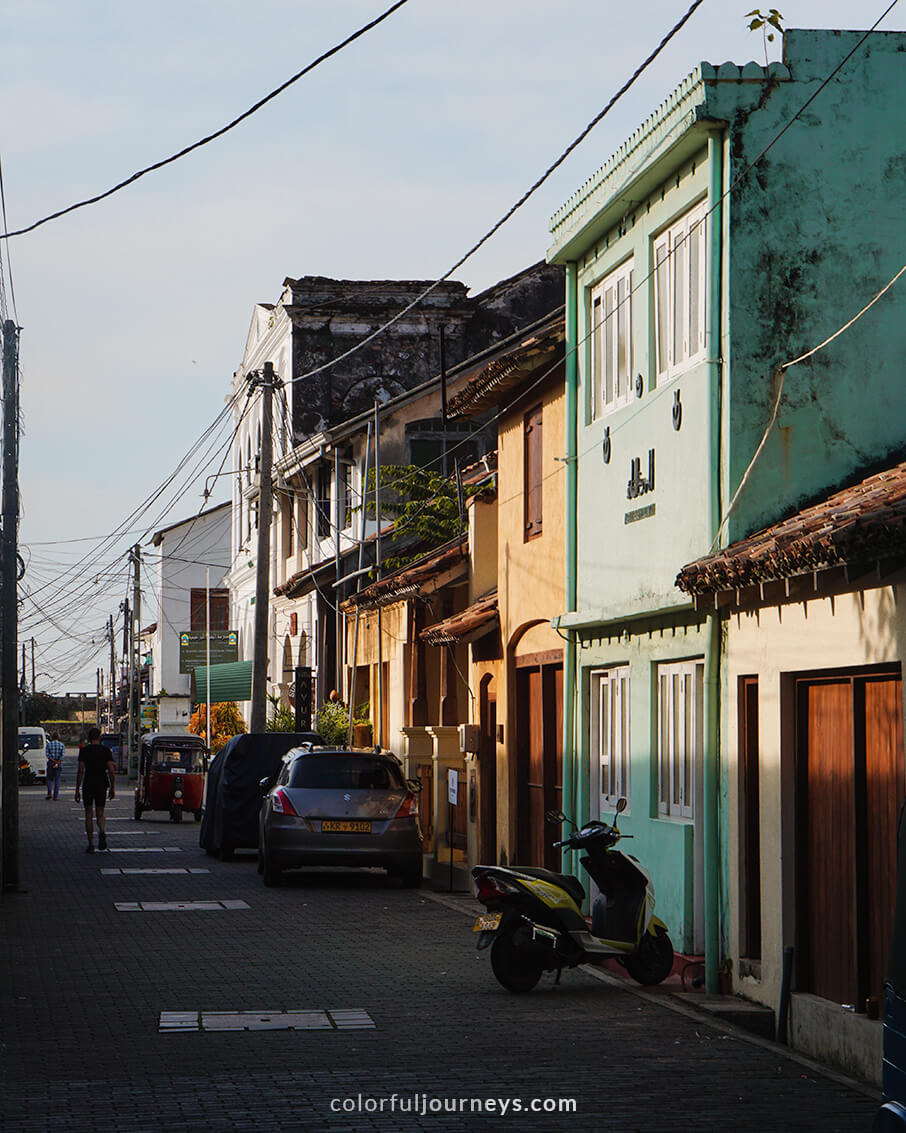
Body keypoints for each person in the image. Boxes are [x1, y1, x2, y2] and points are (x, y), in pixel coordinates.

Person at [75, 726, 116, 853]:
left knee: (88, 814)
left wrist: (77, 789)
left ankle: (91, 844)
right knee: (100, 812)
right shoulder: (105, 751)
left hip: (88, 783)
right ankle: (102, 830)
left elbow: (81, 770)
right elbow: (111, 770)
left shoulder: (84, 751)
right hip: (102, 783)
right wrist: (112, 787)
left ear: (88, 738)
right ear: (99, 737)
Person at [45, 732, 65, 800]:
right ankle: (55, 796)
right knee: (57, 780)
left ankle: (49, 793)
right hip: (59, 763)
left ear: (52, 737)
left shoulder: (48, 744)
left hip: (51, 762)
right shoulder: (62, 745)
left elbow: (47, 754)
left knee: (49, 779)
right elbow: (62, 755)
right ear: (58, 737)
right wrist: (58, 762)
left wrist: (53, 760)